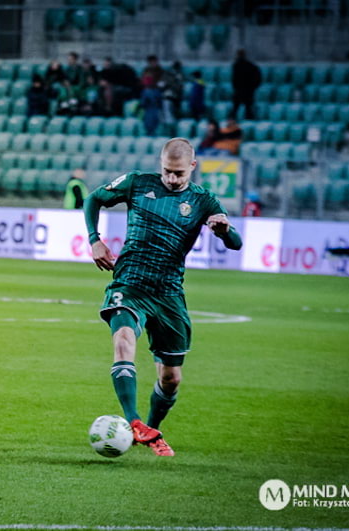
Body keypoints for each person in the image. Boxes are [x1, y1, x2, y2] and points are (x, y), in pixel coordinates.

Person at [83, 138, 243, 457]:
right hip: (129, 282)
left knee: (171, 378)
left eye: (179, 174)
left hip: (169, 292)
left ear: (193, 168)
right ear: (160, 164)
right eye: (167, 171)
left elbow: (236, 243)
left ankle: (151, 430)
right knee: (123, 340)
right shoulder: (137, 183)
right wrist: (95, 241)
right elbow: (93, 199)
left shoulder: (204, 201)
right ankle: (135, 422)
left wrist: (224, 230)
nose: (172, 179)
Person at [230, 49, 261, 120]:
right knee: (246, 107)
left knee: (238, 108)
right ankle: (246, 119)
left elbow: (234, 79)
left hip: (242, 90)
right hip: (247, 90)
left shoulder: (237, 66)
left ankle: (234, 120)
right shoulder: (250, 66)